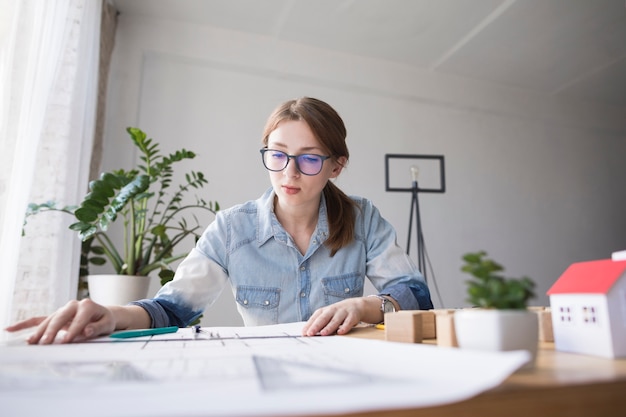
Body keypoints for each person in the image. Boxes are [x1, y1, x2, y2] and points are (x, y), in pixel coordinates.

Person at [6, 96, 433, 344]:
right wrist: (113, 316)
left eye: (309, 158)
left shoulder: (362, 218)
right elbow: (173, 308)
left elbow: (414, 294)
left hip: (348, 377)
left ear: (336, 166)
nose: (289, 172)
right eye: (279, 153)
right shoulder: (232, 229)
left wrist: (365, 306)